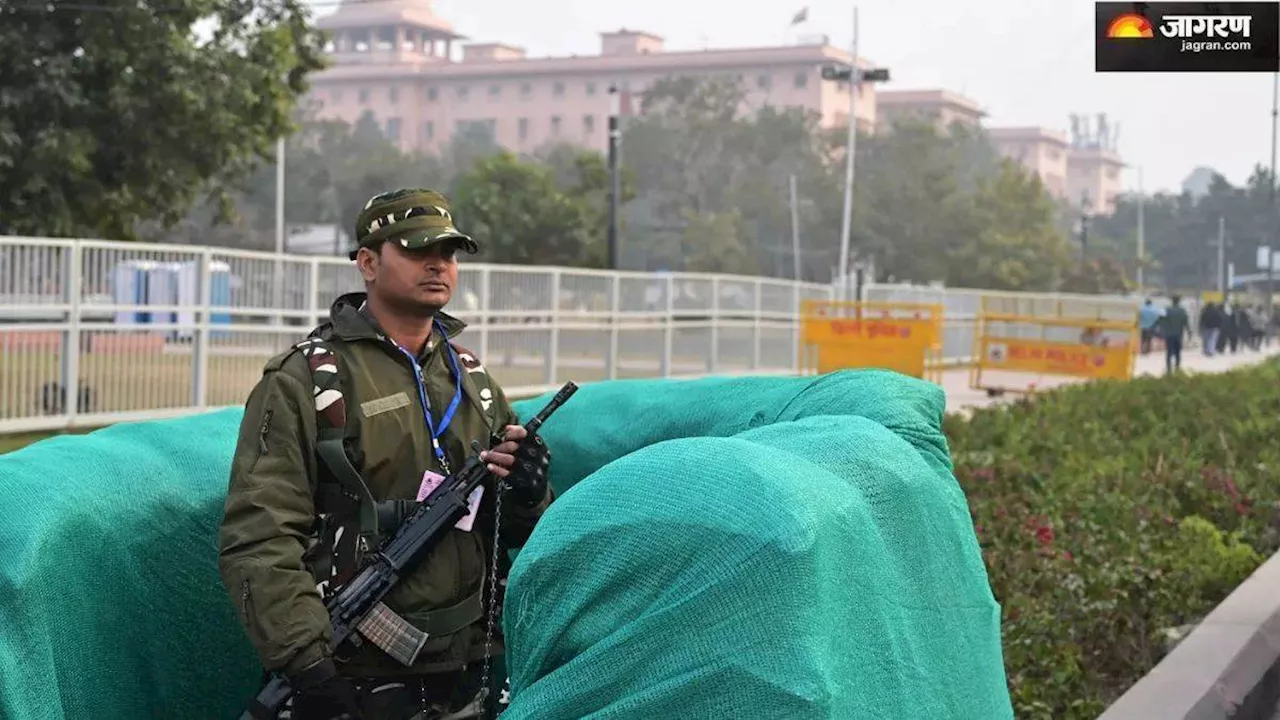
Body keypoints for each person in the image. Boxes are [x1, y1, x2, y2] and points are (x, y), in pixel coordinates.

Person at [218, 188, 554, 720]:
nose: (439, 264)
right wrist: (309, 668)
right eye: (420, 251)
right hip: (352, 674)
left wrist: (530, 495)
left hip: (468, 670)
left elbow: (515, 530)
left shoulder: (474, 381)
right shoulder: (309, 378)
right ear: (368, 263)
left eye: (448, 253)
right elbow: (259, 535)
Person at [1158, 294, 1191, 374]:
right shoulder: (1182, 311)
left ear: (1172, 301)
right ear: (1179, 301)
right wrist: (1189, 331)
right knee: (1177, 353)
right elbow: (1186, 322)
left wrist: (1162, 330)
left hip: (1169, 334)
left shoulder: (1167, 310)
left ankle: (1169, 369)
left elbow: (1161, 320)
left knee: (1169, 352)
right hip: (1178, 334)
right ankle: (1177, 368)